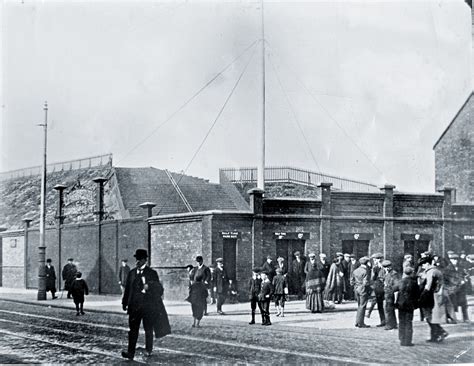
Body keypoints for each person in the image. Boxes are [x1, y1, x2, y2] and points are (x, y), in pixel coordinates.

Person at [121, 249, 171, 360]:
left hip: (148, 307)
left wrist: (150, 286)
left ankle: (148, 350)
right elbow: (128, 290)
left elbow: (159, 289)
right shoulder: (132, 273)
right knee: (132, 330)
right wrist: (124, 302)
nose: (137, 262)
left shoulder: (152, 273)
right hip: (134, 307)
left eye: (139, 259)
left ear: (144, 260)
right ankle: (130, 353)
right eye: (136, 259)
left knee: (148, 329)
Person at [418, 256, 448, 343]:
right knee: (431, 316)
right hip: (435, 296)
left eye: (422, 265)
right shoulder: (436, 270)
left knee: (428, 316)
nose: (422, 267)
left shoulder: (431, 272)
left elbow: (428, 286)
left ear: (427, 263)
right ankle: (435, 336)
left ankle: (441, 332)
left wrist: (421, 297)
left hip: (430, 296)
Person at [394, 267, 420, 346]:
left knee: (401, 321)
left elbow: (394, 290)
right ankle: (408, 341)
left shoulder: (400, 281)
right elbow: (417, 294)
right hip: (409, 304)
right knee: (408, 322)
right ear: (411, 273)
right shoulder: (414, 282)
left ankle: (402, 339)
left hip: (401, 304)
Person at [351, 256, 371, 328]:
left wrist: (356, 286)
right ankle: (361, 323)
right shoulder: (366, 271)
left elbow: (351, 281)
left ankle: (357, 322)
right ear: (367, 263)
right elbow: (366, 283)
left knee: (359, 305)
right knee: (363, 306)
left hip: (356, 288)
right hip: (363, 289)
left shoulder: (355, 270)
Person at [367, 252, 385, 327]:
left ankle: (388, 321)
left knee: (386, 305)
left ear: (380, 259)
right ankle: (383, 321)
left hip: (384, 287)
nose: (374, 261)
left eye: (375, 259)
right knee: (380, 305)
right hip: (378, 288)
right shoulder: (375, 267)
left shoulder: (385, 266)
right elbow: (372, 278)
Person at [382, 260, 400, 330]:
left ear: (390, 266)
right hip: (387, 292)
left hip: (390, 293)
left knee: (388, 309)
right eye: (385, 267)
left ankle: (389, 324)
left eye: (387, 267)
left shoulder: (393, 274)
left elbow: (396, 285)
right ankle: (393, 323)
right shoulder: (387, 273)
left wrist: (390, 289)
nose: (386, 268)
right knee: (389, 309)